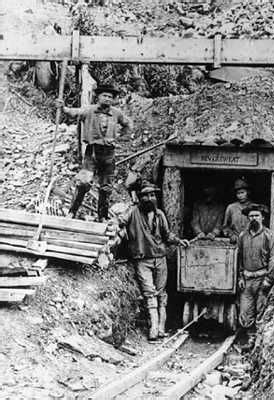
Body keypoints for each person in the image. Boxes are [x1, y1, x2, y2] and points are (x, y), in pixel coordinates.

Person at [118, 183, 189, 341]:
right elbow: (120, 221)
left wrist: (178, 241)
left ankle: (162, 327)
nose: (149, 198)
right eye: (146, 195)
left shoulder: (159, 215)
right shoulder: (133, 212)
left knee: (161, 292)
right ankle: (154, 328)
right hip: (142, 259)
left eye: (152, 195)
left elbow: (167, 234)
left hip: (160, 258)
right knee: (149, 292)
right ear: (140, 197)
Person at [56, 83, 132, 221]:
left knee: (106, 187)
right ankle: (72, 212)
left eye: (110, 97)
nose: (108, 99)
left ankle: (102, 217)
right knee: (84, 183)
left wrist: (121, 138)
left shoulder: (116, 113)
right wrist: (63, 108)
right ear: (98, 97)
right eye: (105, 96)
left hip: (109, 154)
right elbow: (75, 112)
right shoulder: (89, 110)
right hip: (92, 153)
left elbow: (127, 124)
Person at [237, 203, 274, 344]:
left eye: (256, 216)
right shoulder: (243, 236)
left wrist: (269, 278)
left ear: (262, 218)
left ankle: (259, 340)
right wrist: (240, 276)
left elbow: (273, 258)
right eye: (251, 216)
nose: (253, 218)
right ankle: (250, 337)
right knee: (245, 310)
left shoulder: (269, 235)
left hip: (262, 278)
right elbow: (239, 258)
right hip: (247, 279)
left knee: (261, 308)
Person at [223, 178, 253, 244]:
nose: (240, 196)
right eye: (238, 193)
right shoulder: (231, 207)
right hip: (235, 241)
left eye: (242, 193)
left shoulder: (254, 207)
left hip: (251, 241)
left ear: (248, 192)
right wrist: (231, 235)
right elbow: (225, 227)